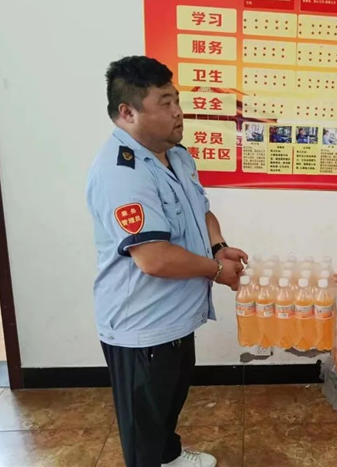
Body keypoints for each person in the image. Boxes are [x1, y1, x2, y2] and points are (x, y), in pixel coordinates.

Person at [86, 56, 247, 467]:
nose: (178, 112)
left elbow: (201, 211)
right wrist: (217, 271)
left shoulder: (176, 155)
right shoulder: (122, 172)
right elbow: (153, 258)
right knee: (143, 426)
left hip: (175, 318)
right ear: (128, 112)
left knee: (166, 406)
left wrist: (218, 247)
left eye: (177, 100)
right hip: (142, 326)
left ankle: (169, 457)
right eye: (165, 103)